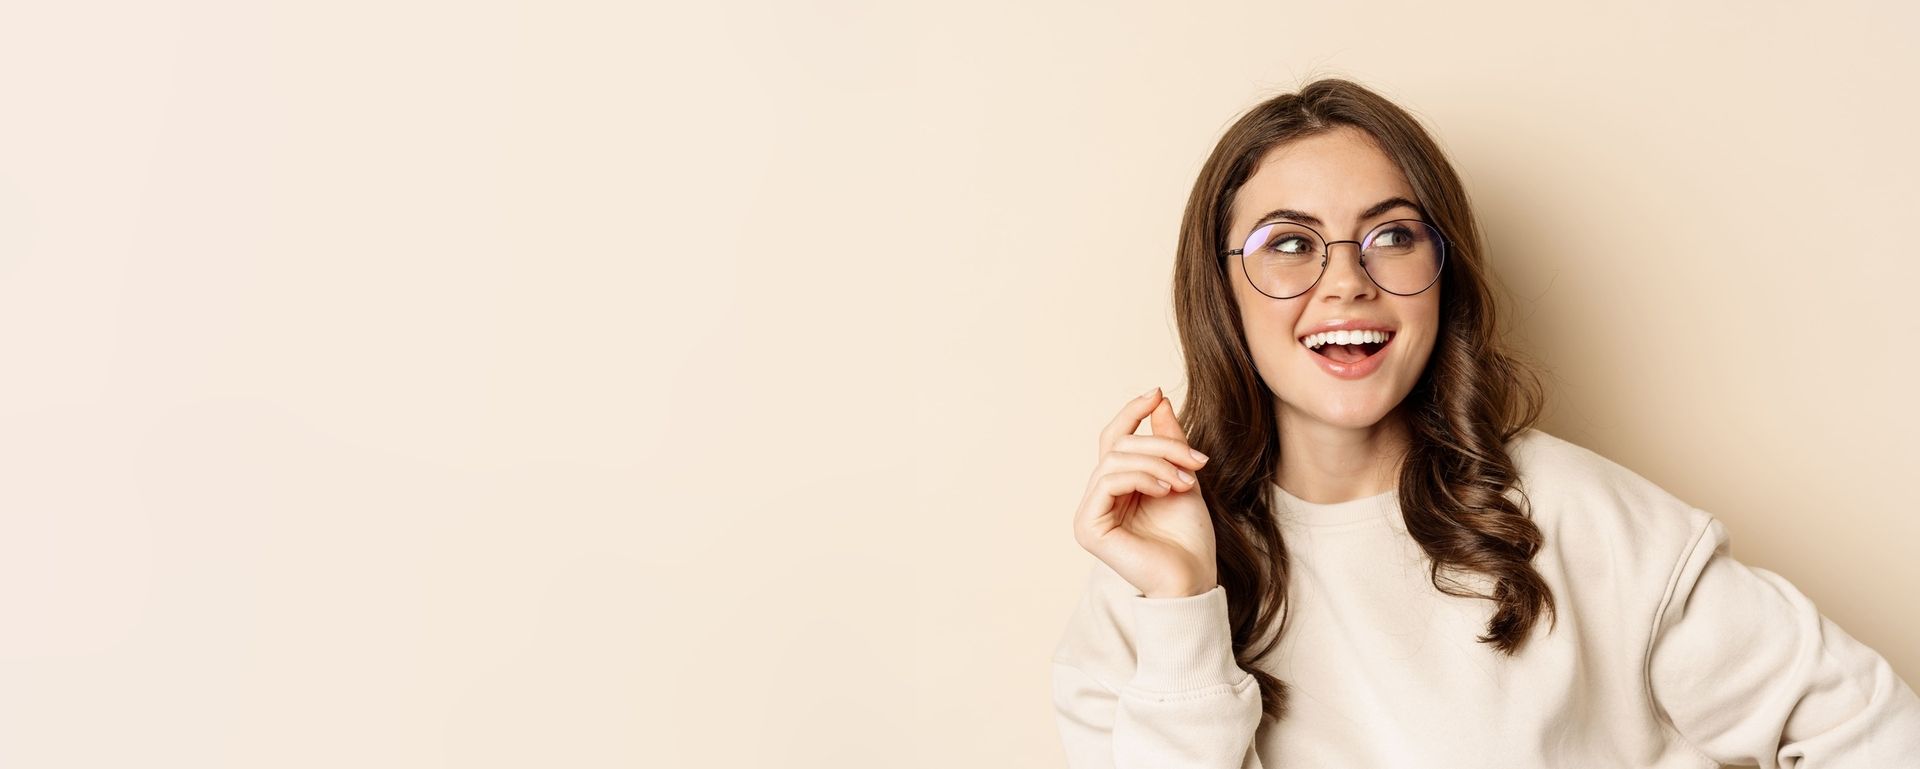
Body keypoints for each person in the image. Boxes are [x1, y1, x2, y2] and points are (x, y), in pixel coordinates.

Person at [1050, 77, 1920, 768]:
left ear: (1444, 273)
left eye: (1393, 236)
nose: (1347, 281)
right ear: (1220, 290)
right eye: (1289, 243)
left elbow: (1870, 730)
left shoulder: (1577, 514)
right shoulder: (1141, 595)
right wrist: (1184, 605)